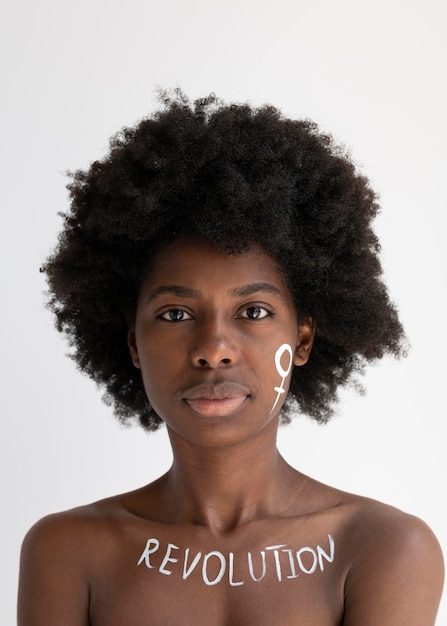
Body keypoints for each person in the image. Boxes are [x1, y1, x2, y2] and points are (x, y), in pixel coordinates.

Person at [18, 91, 444, 625]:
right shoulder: (68, 552)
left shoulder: (382, 548)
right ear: (132, 343)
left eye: (254, 311)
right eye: (175, 314)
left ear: (305, 339)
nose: (214, 349)